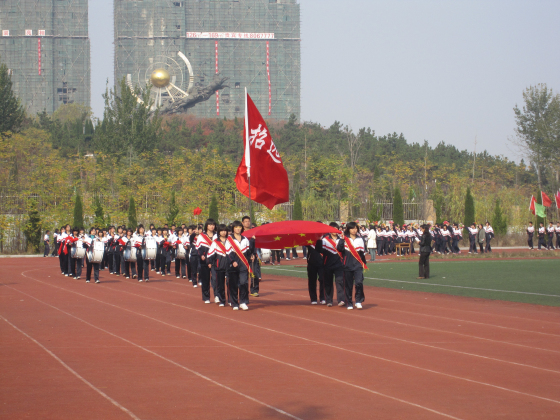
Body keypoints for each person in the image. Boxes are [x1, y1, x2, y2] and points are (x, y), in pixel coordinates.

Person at [336, 222, 367, 310]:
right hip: (347, 265)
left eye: (356, 228)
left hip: (358, 265)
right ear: (348, 229)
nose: (354, 230)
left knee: (359, 283)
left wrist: (364, 264)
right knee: (348, 285)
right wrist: (342, 240)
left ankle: (358, 301)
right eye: (352, 228)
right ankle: (349, 302)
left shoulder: (360, 239)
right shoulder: (344, 239)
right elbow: (339, 249)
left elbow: (362, 253)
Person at [226, 220, 255, 311]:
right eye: (236, 227)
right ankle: (234, 303)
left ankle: (242, 302)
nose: (238, 229)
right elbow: (228, 253)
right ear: (233, 229)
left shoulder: (245, 239)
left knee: (244, 283)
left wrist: (251, 255)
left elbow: (248, 251)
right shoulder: (229, 240)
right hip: (233, 264)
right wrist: (232, 261)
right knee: (233, 284)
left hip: (243, 264)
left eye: (239, 227)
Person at [319, 223, 345, 307]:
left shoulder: (341, 239)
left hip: (339, 264)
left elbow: (342, 249)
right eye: (333, 228)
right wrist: (318, 241)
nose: (334, 230)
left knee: (340, 281)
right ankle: (329, 300)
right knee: (328, 283)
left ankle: (341, 299)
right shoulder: (325, 240)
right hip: (327, 264)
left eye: (336, 228)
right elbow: (320, 250)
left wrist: (342, 240)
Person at [207, 224, 229, 307]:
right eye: (222, 231)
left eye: (225, 230)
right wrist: (209, 262)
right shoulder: (215, 242)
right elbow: (210, 254)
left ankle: (230, 299)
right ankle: (222, 300)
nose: (224, 232)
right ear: (219, 232)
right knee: (220, 284)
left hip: (229, 265)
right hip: (219, 266)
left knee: (230, 283)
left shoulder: (230, 241)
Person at [196, 219, 217, 303]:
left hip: (215, 259)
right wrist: (201, 255)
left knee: (216, 279)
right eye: (210, 224)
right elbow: (198, 247)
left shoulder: (217, 235)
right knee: (205, 279)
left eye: (213, 224)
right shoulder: (201, 236)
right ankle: (206, 297)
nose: (212, 226)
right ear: (207, 226)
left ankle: (217, 296)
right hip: (204, 259)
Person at [243, 216, 261, 297]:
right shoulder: (241, 233)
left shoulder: (253, 232)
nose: (247, 223)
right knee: (244, 275)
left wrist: (253, 254)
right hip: (244, 256)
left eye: (248, 221)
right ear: (242, 223)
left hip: (253, 256)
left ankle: (254, 290)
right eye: (245, 221)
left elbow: (254, 245)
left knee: (255, 274)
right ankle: (244, 290)